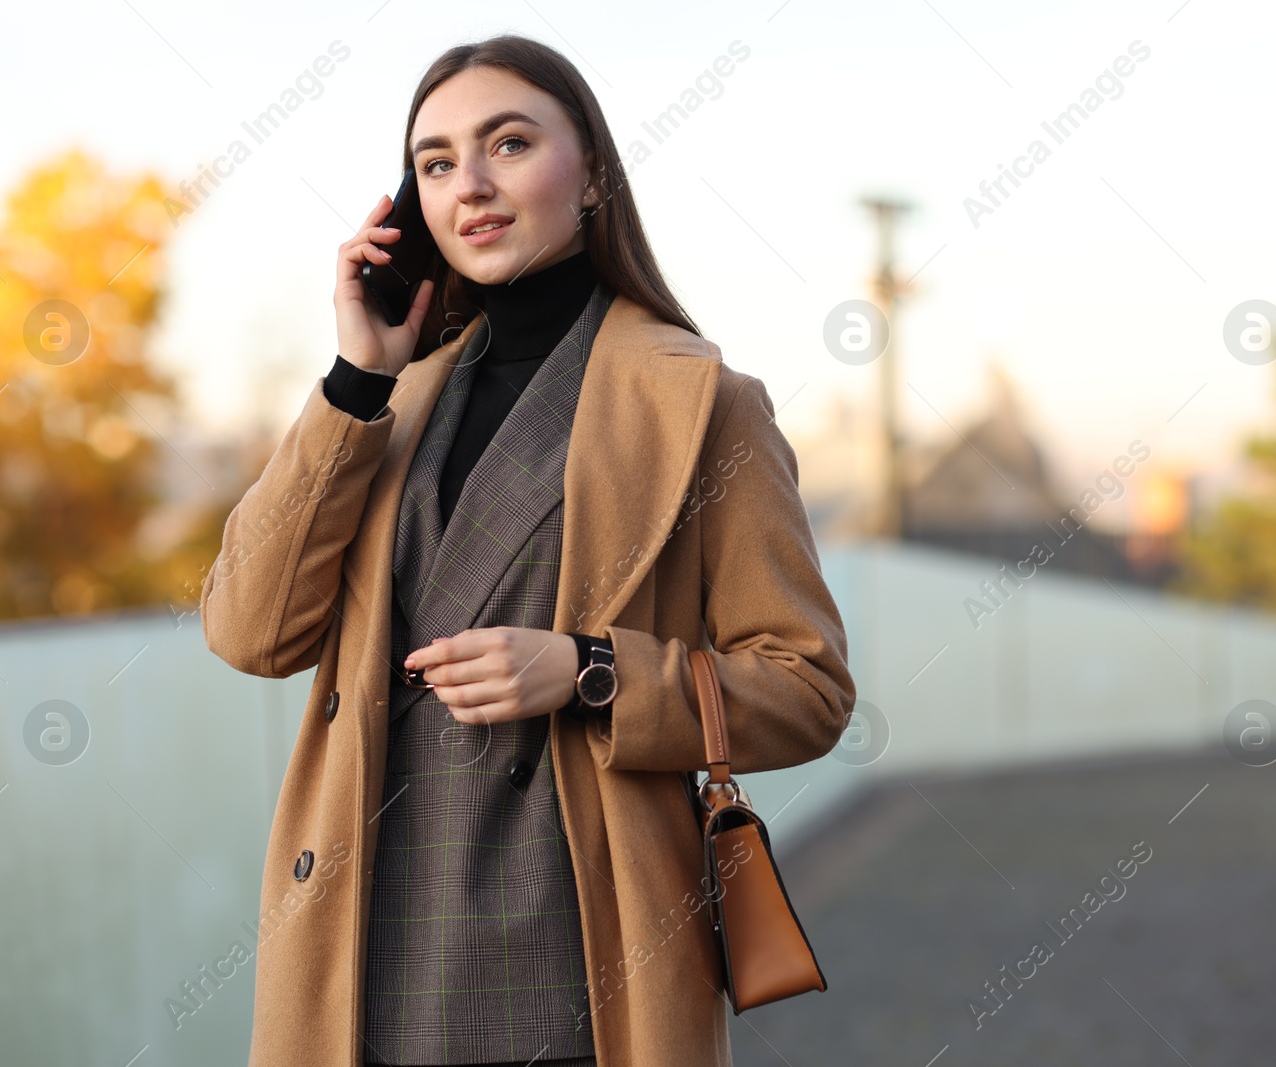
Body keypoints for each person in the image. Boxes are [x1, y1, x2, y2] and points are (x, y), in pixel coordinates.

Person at [199, 33, 856, 1067]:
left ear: (591, 172)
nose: (471, 185)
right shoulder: (389, 401)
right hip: (361, 955)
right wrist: (354, 379)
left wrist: (591, 668)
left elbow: (807, 688)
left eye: (509, 143)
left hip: (580, 963)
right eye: (437, 162)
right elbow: (248, 630)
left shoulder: (700, 404)